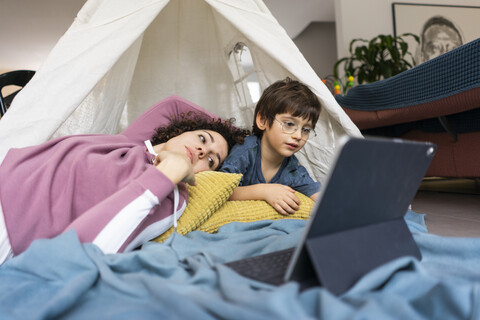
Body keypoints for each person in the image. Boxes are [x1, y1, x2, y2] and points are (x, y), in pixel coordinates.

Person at [0, 95, 249, 264]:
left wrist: (172, 171)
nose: (202, 151)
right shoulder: (134, 143)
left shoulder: (172, 193)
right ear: (184, 130)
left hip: (11, 226)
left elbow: (90, 249)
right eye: (203, 138)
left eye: (212, 161)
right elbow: (173, 105)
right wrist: (243, 137)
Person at [220, 78, 321, 216]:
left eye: (306, 130)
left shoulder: (292, 168)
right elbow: (221, 191)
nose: (298, 135)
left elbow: (319, 195)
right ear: (263, 121)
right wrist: (265, 191)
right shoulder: (245, 151)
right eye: (289, 124)